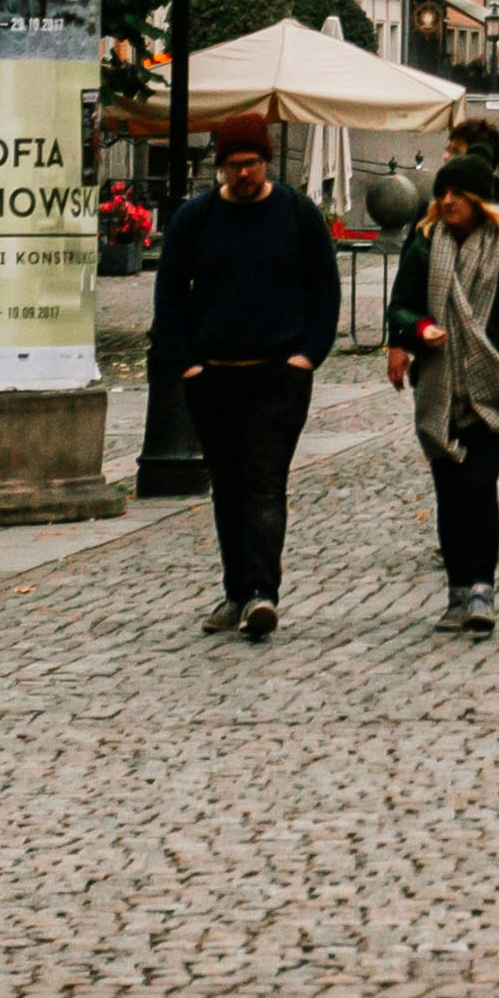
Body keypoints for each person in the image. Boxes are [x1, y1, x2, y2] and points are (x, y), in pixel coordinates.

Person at [161, 120, 339, 638]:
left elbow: (324, 289)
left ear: (267, 163)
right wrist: (186, 363)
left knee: (263, 482)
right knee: (228, 487)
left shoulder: (296, 214)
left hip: (279, 376)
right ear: (221, 167)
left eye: (252, 164)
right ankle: (236, 589)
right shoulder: (196, 218)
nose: (243, 173)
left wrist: (309, 354)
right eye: (234, 165)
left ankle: (262, 593)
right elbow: (170, 294)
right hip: (214, 375)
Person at [385, 154, 499, 636]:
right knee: (450, 492)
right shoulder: (423, 244)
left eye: (458, 194)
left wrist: (496, 339)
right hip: (438, 383)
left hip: (493, 384)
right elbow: (401, 307)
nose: (448, 201)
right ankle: (457, 591)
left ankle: (481, 588)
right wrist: (419, 329)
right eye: (443, 194)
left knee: (477, 485)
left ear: (479, 201)